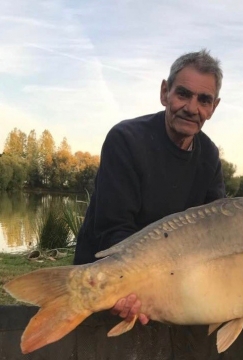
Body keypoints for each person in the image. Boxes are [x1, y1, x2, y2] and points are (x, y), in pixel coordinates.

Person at [74, 49, 225, 325]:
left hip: (167, 286)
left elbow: (213, 236)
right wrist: (132, 285)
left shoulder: (209, 157)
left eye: (204, 100)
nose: (192, 108)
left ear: (213, 107)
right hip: (101, 278)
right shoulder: (126, 140)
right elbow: (113, 230)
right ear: (165, 92)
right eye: (183, 94)